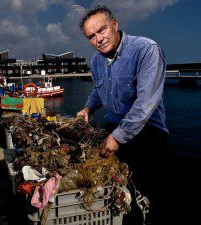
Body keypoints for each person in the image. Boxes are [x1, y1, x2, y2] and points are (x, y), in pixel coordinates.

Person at [77, 5, 169, 225]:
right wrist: (88, 108)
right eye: (91, 36)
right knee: (118, 192)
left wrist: (117, 137)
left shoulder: (146, 49)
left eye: (102, 30)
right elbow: (99, 92)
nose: (98, 39)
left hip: (149, 134)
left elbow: (145, 104)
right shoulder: (96, 61)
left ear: (114, 24)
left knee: (146, 195)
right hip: (114, 129)